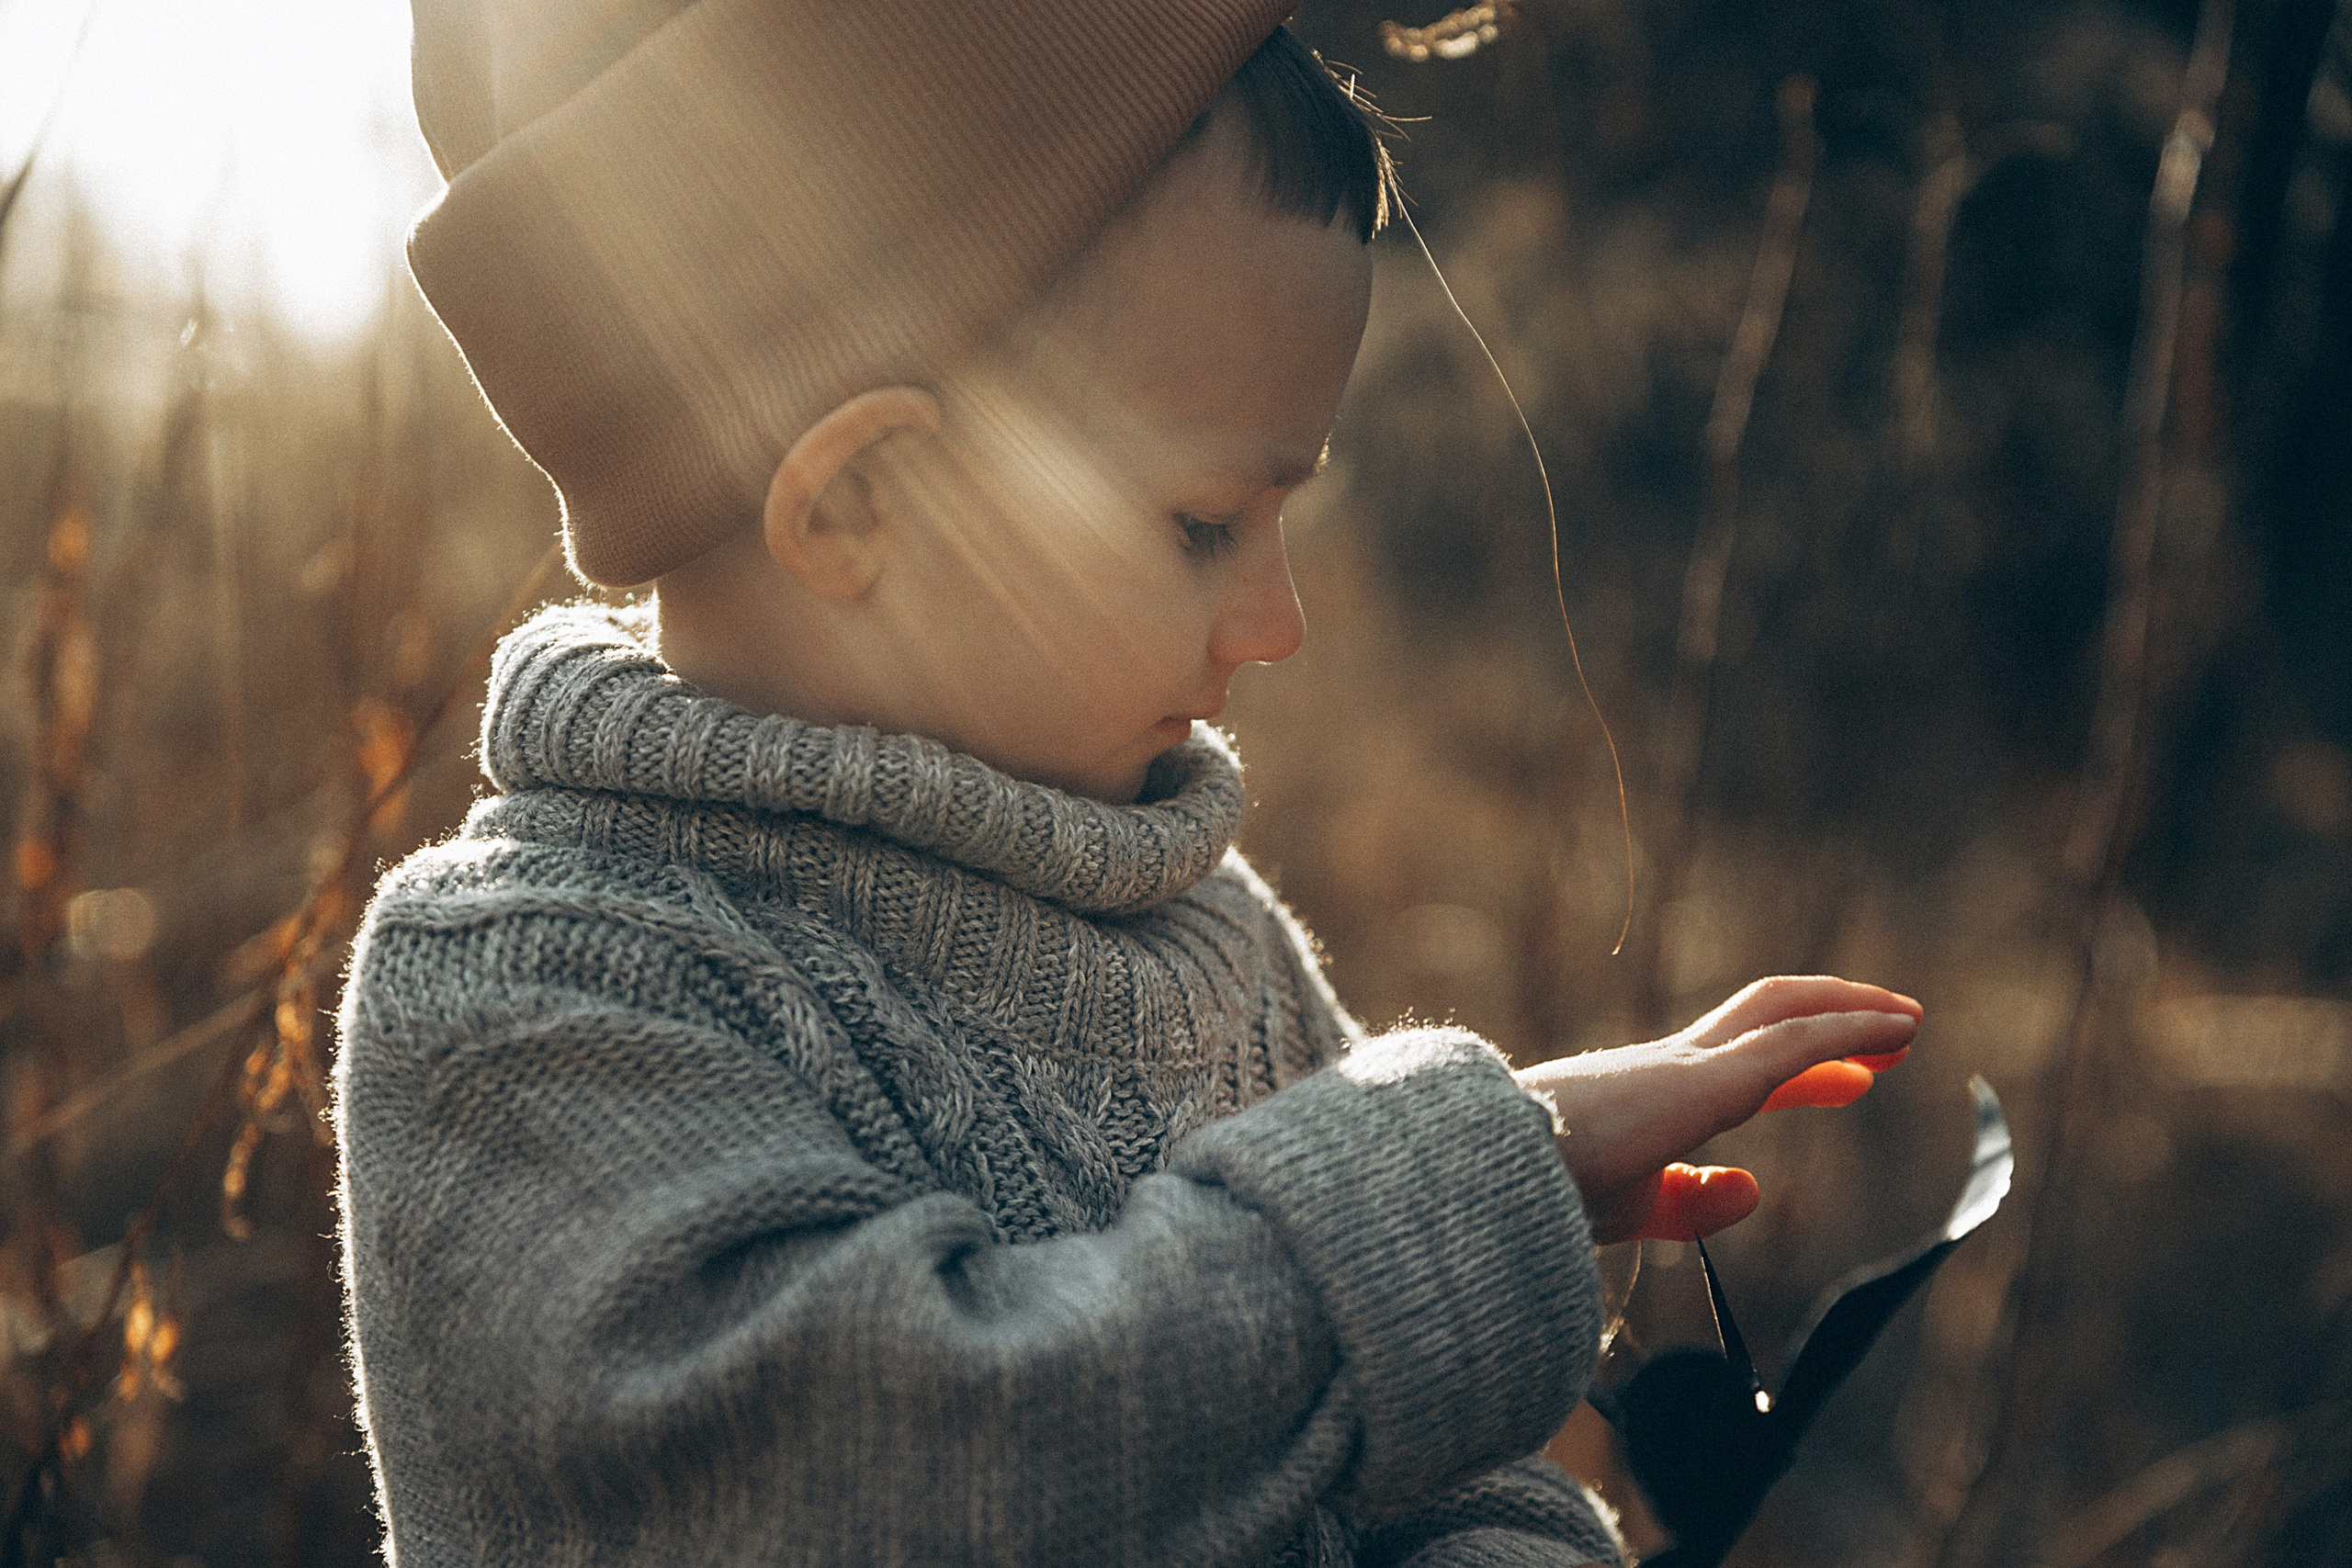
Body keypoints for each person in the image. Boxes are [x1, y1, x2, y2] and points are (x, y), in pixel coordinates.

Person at [335, 6, 1922, 1563]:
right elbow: (891, 1476)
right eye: (1204, 523)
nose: (1281, 622)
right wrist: (1476, 1180)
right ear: (855, 504)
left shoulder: (1206, 941)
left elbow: (1423, 1467)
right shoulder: (529, 993)